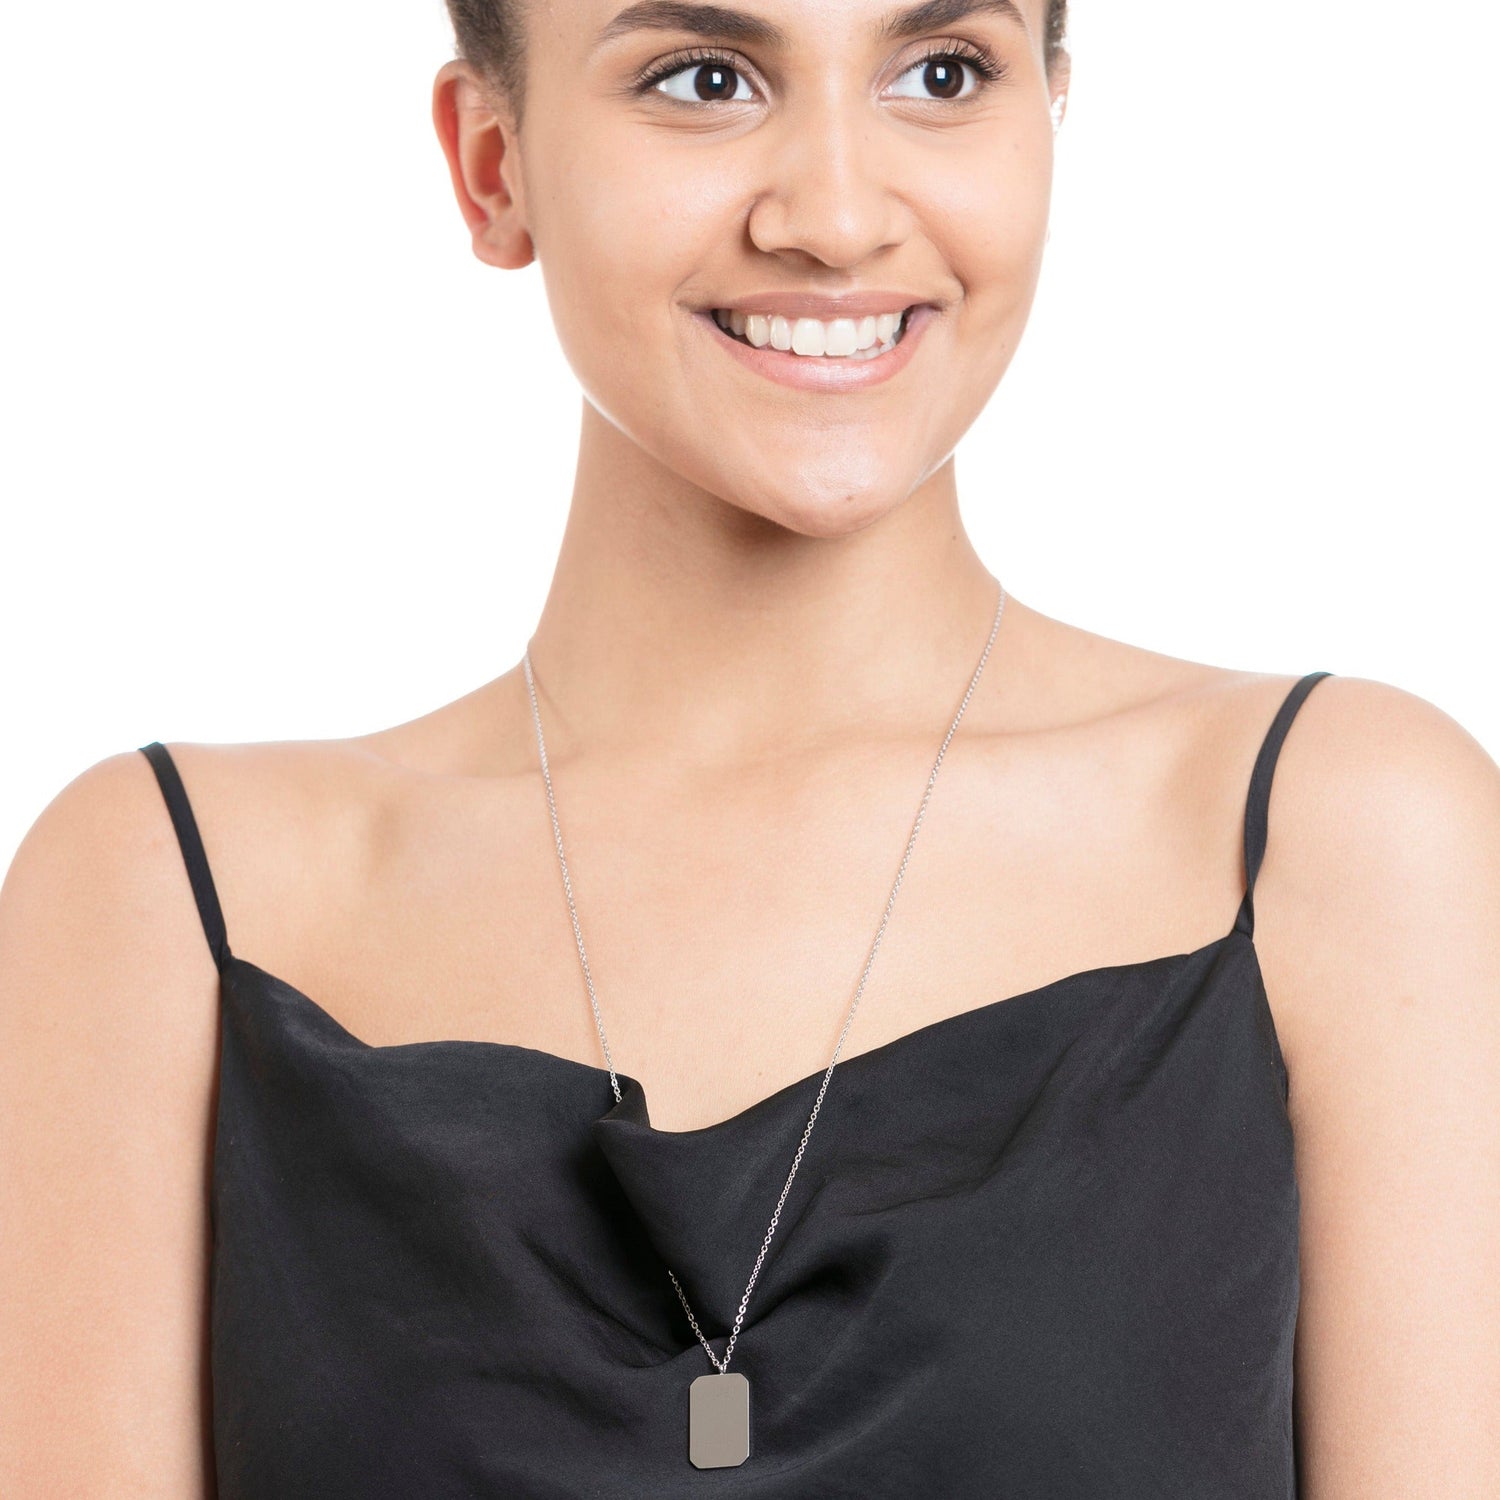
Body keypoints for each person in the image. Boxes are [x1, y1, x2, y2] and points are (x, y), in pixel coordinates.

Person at [2, 0, 1497, 1493]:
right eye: (704, 78)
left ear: (1052, 111)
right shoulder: (162, 902)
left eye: (943, 72)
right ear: (492, 164)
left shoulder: (1343, 839)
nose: (836, 218)